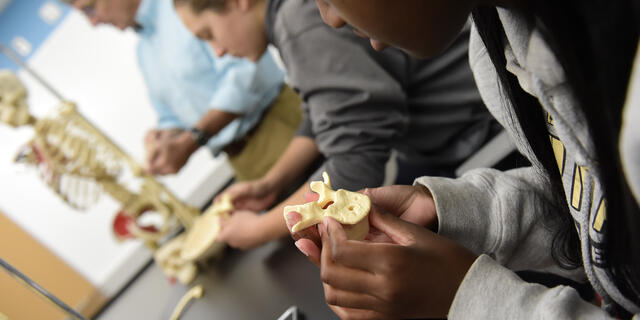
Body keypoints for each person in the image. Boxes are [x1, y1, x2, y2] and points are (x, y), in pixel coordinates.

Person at [286, 0, 640, 319]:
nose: (329, 18)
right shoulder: (498, 47)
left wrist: (466, 300)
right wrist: (455, 213)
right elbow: (592, 201)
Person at [174, 0, 500, 250]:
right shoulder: (293, 18)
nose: (217, 51)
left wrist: (260, 229)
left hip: (483, 133)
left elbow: (355, 164)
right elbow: (325, 117)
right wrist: (272, 184)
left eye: (208, 34)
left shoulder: (299, 24)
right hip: (453, 139)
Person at [66, 0, 301, 180]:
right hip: (242, 162)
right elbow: (171, 115)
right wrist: (163, 139)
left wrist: (193, 139)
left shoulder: (185, 7)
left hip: (283, 129)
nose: (93, 22)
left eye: (89, 9)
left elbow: (247, 73)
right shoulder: (144, 52)